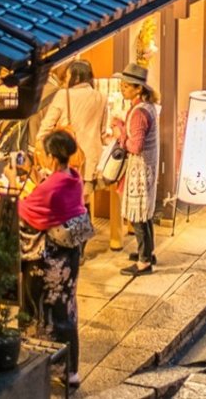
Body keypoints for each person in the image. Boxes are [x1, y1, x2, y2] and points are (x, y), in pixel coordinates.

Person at [19, 130, 86, 389]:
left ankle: (38, 363)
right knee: (66, 310)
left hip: (48, 261)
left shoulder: (51, 188)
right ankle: (70, 370)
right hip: (68, 259)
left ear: (50, 156)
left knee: (41, 310)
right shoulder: (72, 179)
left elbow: (27, 211)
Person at [36, 59, 107, 203]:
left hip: (68, 158)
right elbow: (103, 131)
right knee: (83, 202)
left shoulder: (64, 95)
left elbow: (46, 127)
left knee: (67, 204)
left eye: (68, 77)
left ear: (77, 77)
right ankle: (84, 225)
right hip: (91, 160)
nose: (66, 80)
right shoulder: (101, 97)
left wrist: (42, 146)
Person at [112, 63, 159, 276]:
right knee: (145, 213)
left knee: (138, 215)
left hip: (139, 170)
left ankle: (143, 261)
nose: (123, 89)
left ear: (138, 89)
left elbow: (136, 145)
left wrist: (121, 135)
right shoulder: (147, 107)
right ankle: (148, 252)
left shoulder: (139, 113)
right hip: (147, 168)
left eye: (126, 86)